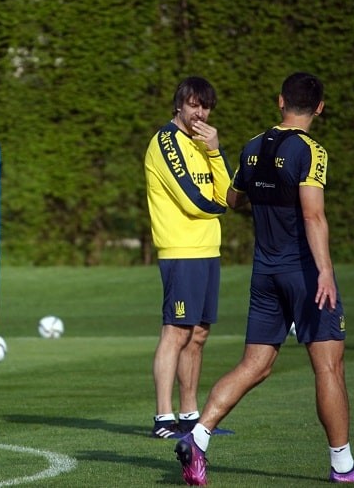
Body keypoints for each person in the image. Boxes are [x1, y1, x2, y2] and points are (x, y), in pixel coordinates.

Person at [175, 72, 354, 485]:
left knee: (255, 365)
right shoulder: (311, 151)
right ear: (320, 108)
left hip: (265, 273)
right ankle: (343, 466)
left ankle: (198, 436)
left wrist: (226, 161)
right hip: (304, 274)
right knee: (329, 368)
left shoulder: (253, 146)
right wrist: (325, 272)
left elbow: (234, 199)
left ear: (280, 101)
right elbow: (313, 215)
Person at [143, 76, 232, 439]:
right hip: (181, 250)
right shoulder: (165, 142)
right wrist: (223, 206)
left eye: (205, 107)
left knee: (198, 334)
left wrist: (215, 152)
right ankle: (163, 419)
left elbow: (227, 190)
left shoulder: (203, 144)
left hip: (208, 248)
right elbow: (195, 200)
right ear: (178, 105)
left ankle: (190, 417)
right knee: (176, 331)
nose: (200, 113)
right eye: (194, 105)